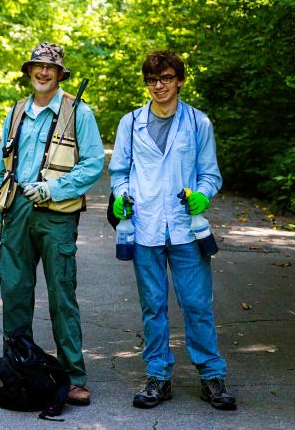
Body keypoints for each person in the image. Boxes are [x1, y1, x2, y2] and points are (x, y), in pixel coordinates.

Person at [108, 51, 236, 410]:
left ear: (180, 79)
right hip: (145, 227)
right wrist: (120, 198)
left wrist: (203, 196)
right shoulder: (130, 123)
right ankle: (158, 378)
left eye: (165, 78)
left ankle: (212, 378)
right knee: (153, 307)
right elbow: (119, 172)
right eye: (151, 80)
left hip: (185, 230)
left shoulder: (198, 123)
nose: (158, 86)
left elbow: (211, 174)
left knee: (197, 305)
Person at [0, 42, 105, 406]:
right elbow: (2, 166)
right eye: (37, 66)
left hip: (57, 214)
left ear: (60, 73)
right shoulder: (17, 110)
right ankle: (16, 368)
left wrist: (52, 188)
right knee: (14, 291)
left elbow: (93, 164)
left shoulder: (78, 111)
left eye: (50, 68)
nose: (43, 72)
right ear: (29, 71)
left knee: (61, 295)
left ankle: (73, 376)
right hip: (16, 208)